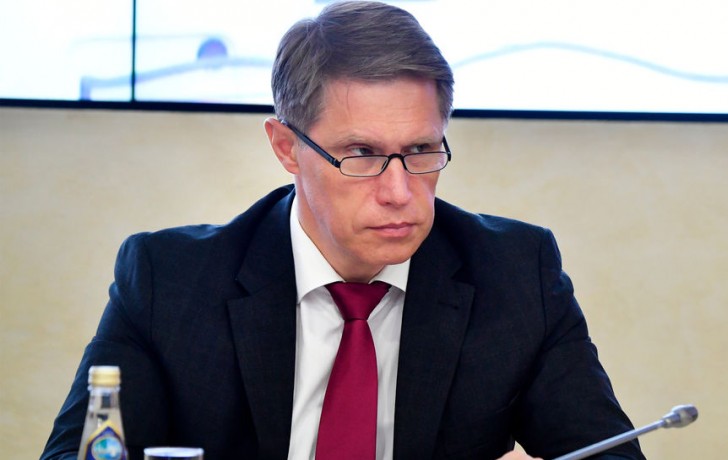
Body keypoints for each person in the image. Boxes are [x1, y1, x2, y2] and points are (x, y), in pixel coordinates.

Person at [42, 2, 645, 459]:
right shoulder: (169, 282)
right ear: (286, 147)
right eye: (361, 153)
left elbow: (607, 454)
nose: (399, 190)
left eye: (421, 150)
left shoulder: (515, 275)